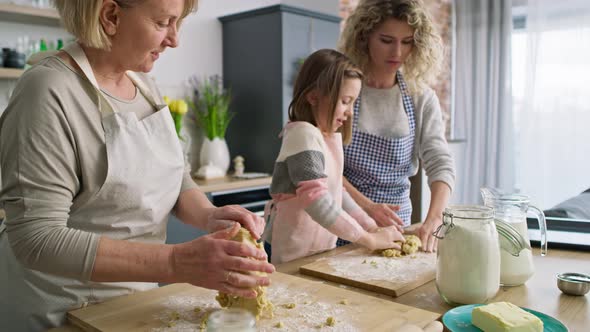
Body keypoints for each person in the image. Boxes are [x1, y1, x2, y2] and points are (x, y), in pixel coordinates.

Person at [0, 1, 274, 330]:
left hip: (135, 304)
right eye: (163, 23)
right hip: (65, 312)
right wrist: (177, 261)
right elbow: (37, 238)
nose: (174, 40)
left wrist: (209, 214)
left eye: (178, 24)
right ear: (111, 16)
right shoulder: (46, 91)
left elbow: (177, 176)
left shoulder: (145, 87)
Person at [263, 49, 404, 264]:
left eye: (353, 102)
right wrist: (368, 240)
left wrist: (371, 227)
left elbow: (338, 194)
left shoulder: (324, 138)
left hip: (317, 254)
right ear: (313, 97)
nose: (350, 112)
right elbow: (316, 199)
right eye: (345, 101)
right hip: (292, 256)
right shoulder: (302, 134)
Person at [339, 0, 456, 252]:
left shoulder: (420, 97)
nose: (397, 53)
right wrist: (367, 206)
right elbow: (324, 167)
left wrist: (435, 217)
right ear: (365, 37)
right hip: (344, 220)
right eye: (386, 40)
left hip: (397, 224)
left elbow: (440, 162)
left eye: (407, 42)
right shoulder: (343, 90)